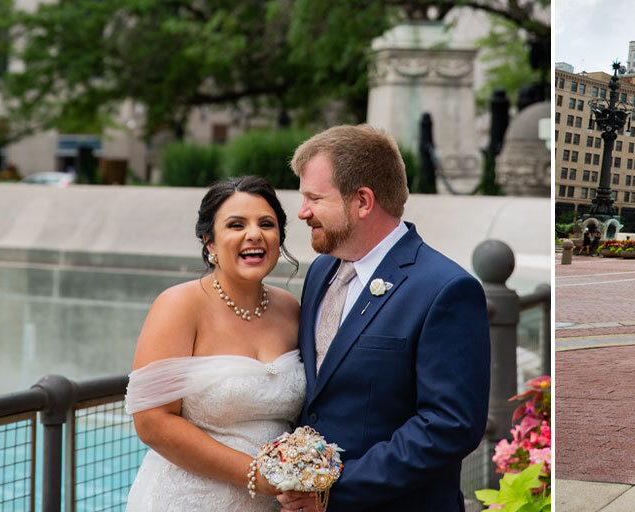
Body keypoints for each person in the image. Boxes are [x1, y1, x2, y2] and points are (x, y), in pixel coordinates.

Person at [278, 124, 491, 512]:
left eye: (314, 198)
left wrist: (334, 488)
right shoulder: (320, 271)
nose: (303, 211)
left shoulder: (447, 289)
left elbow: (449, 425)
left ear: (362, 201)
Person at [124, 177, 304, 512]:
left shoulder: (290, 309)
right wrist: (256, 474)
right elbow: (152, 423)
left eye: (267, 224)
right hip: (188, 501)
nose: (254, 234)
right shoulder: (178, 305)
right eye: (236, 225)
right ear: (209, 242)